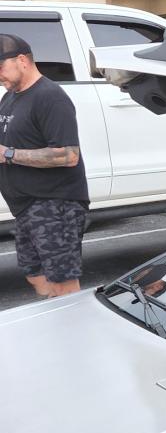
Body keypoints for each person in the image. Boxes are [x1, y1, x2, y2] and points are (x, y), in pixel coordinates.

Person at [0, 34, 89, 298]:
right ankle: (57, 326)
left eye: (0, 67)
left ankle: (77, 331)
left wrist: (9, 154)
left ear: (22, 60)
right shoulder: (11, 97)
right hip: (26, 207)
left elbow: (68, 155)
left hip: (55, 205)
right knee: (33, 273)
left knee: (63, 284)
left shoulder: (50, 97)